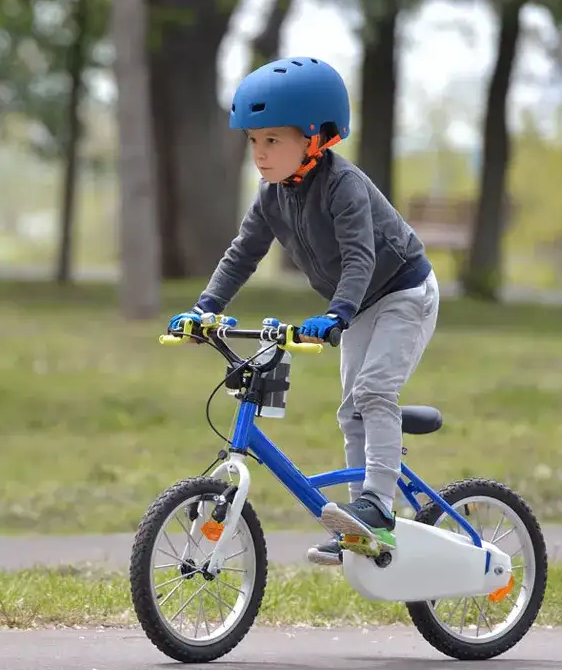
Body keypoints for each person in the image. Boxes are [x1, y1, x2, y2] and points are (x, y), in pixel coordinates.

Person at [166, 56, 440, 567]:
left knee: (374, 390)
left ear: (315, 138)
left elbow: (360, 256)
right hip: (358, 304)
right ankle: (363, 524)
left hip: (403, 292)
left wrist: (336, 313)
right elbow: (243, 253)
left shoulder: (344, 186)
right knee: (349, 408)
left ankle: (379, 504)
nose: (260, 154)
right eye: (253, 141)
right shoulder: (272, 196)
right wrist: (206, 307)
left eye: (273, 140)